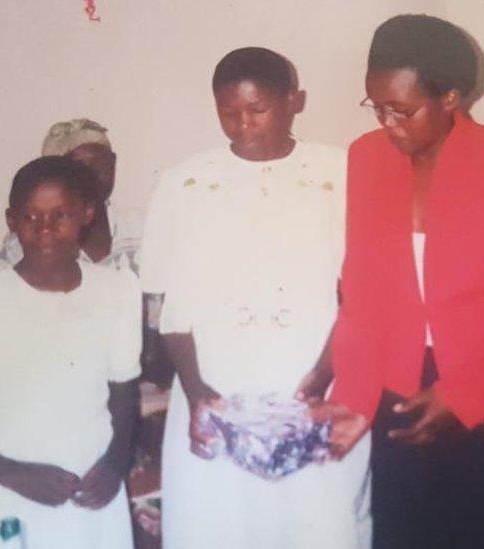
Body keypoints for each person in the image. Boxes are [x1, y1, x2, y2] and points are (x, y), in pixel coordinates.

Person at [315, 14, 484, 548]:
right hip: (403, 392)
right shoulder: (366, 159)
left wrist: (464, 394)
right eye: (377, 107)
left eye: (404, 110)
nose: (388, 124)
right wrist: (353, 397)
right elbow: (364, 296)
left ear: (451, 98)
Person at [139, 47, 370, 549]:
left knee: (317, 524)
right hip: (216, 388)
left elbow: (364, 293)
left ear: (294, 101)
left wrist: (324, 377)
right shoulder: (183, 184)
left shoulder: (343, 174)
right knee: (217, 525)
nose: (243, 125)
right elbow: (168, 308)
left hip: (315, 385)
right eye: (228, 113)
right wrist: (197, 389)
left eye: (257, 110)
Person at [0, 156, 140, 548]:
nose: (45, 231)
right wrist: (15, 475)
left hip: (91, 491)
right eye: (31, 217)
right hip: (2, 491)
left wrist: (114, 464)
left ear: (86, 214)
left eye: (60, 216)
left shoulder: (118, 292)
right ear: (12, 221)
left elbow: (125, 398)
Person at [0, 118, 143, 274]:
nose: (93, 174)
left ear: (113, 162)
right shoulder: (27, 240)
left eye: (102, 163)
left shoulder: (140, 228)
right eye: (80, 166)